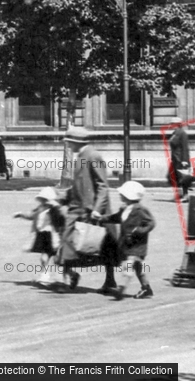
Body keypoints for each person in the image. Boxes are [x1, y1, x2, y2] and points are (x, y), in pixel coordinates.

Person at [56, 126, 119, 294]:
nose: (68, 145)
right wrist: (63, 198)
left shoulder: (92, 155)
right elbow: (78, 185)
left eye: (68, 142)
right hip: (77, 209)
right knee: (68, 243)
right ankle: (69, 277)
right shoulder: (81, 157)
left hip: (90, 210)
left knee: (104, 247)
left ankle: (109, 280)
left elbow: (102, 186)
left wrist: (97, 209)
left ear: (75, 142)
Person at [94, 181, 155, 300]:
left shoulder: (140, 209)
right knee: (138, 268)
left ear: (129, 196)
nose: (120, 195)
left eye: (122, 194)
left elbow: (151, 223)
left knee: (128, 264)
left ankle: (121, 289)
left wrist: (139, 230)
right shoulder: (125, 209)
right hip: (127, 245)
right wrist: (102, 218)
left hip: (137, 244)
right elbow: (115, 218)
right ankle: (146, 288)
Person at [14, 187, 64, 285]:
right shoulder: (40, 208)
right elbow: (31, 215)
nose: (43, 202)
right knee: (44, 257)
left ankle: (68, 276)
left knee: (58, 259)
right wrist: (21, 215)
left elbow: (62, 217)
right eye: (42, 199)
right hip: (43, 235)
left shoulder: (55, 209)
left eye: (45, 200)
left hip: (54, 236)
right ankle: (45, 275)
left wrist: (57, 206)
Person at [168, 117, 195, 203]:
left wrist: (184, 160)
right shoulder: (175, 133)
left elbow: (185, 148)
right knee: (175, 178)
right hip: (175, 159)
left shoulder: (182, 133)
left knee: (183, 178)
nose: (171, 125)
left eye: (172, 123)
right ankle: (180, 195)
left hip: (181, 159)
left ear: (177, 124)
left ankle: (185, 195)